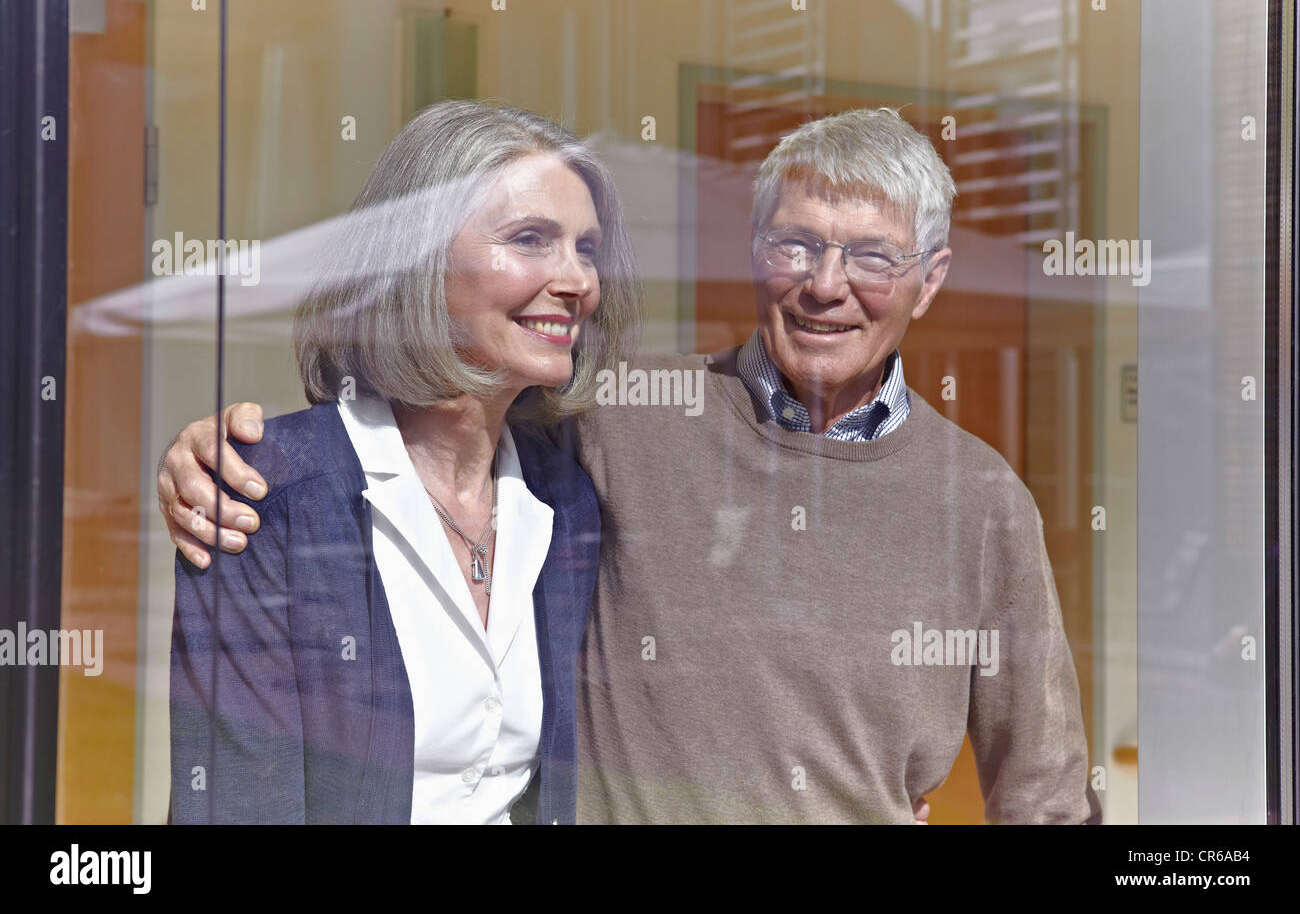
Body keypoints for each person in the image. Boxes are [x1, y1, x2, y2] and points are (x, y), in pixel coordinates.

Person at [163, 107, 1089, 824]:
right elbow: (421, 410)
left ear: (929, 280)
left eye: (874, 257)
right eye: (795, 244)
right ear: (755, 254)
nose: (825, 284)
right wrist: (221, 454)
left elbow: (1046, 797)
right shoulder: (604, 420)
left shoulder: (981, 503)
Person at [167, 100, 639, 824]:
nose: (577, 279)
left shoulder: (565, 495)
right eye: (532, 239)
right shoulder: (263, 493)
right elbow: (238, 802)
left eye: (587, 248)